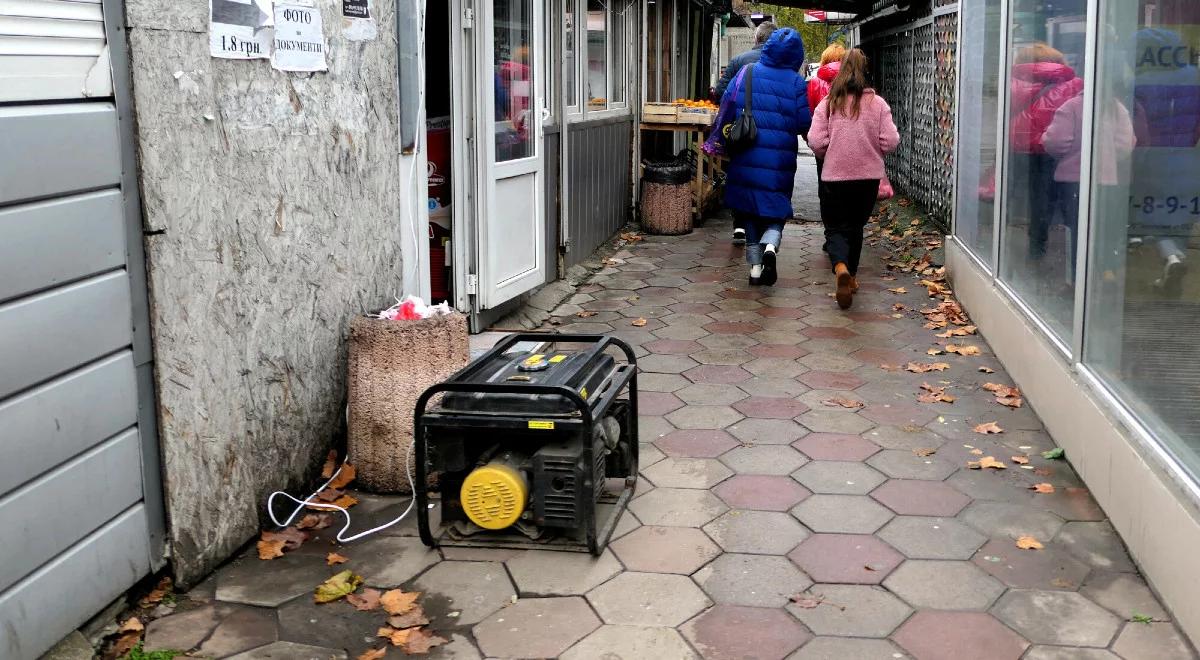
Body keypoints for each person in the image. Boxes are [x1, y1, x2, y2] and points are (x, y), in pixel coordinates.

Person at [708, 28, 812, 286]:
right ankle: (771, 246)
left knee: (749, 208)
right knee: (776, 208)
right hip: (780, 160)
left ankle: (755, 268)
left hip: (746, 153)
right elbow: (803, 123)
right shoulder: (797, 82)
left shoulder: (747, 73)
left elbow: (727, 107)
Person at [807, 48, 900, 309]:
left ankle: (840, 267)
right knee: (855, 227)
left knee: (835, 227)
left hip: (834, 177)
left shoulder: (828, 104)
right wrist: (874, 148)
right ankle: (852, 276)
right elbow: (891, 141)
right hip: (867, 178)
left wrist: (830, 152)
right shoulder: (878, 104)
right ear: (866, 72)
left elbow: (815, 141)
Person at [1007, 43, 1084, 262]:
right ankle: (1065, 248)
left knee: (1025, 198)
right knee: (1055, 198)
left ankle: (1032, 248)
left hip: (1019, 148)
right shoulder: (1074, 85)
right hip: (1055, 150)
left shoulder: (1011, 83)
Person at [715, 21, 777, 245]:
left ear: (757, 39)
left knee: (740, 173)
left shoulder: (739, 61)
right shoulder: (781, 64)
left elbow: (722, 92)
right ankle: (764, 226)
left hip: (742, 129)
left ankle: (740, 224)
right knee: (766, 176)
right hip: (772, 131)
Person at [807, 43, 847, 252]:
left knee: (825, 188)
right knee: (847, 187)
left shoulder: (814, 83)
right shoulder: (852, 83)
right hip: (847, 143)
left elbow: (812, 113)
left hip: (823, 144)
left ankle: (830, 234)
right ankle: (845, 230)